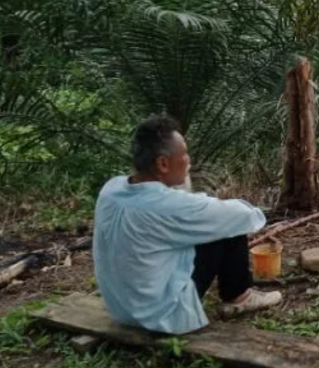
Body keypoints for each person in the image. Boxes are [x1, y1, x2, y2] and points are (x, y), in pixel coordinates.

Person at [92, 115, 282, 334]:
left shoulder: (111, 189)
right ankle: (241, 296)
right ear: (163, 163)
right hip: (160, 315)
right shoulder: (169, 206)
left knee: (216, 221)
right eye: (185, 153)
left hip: (120, 309)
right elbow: (249, 216)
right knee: (230, 223)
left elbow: (167, 210)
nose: (189, 160)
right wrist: (209, 203)